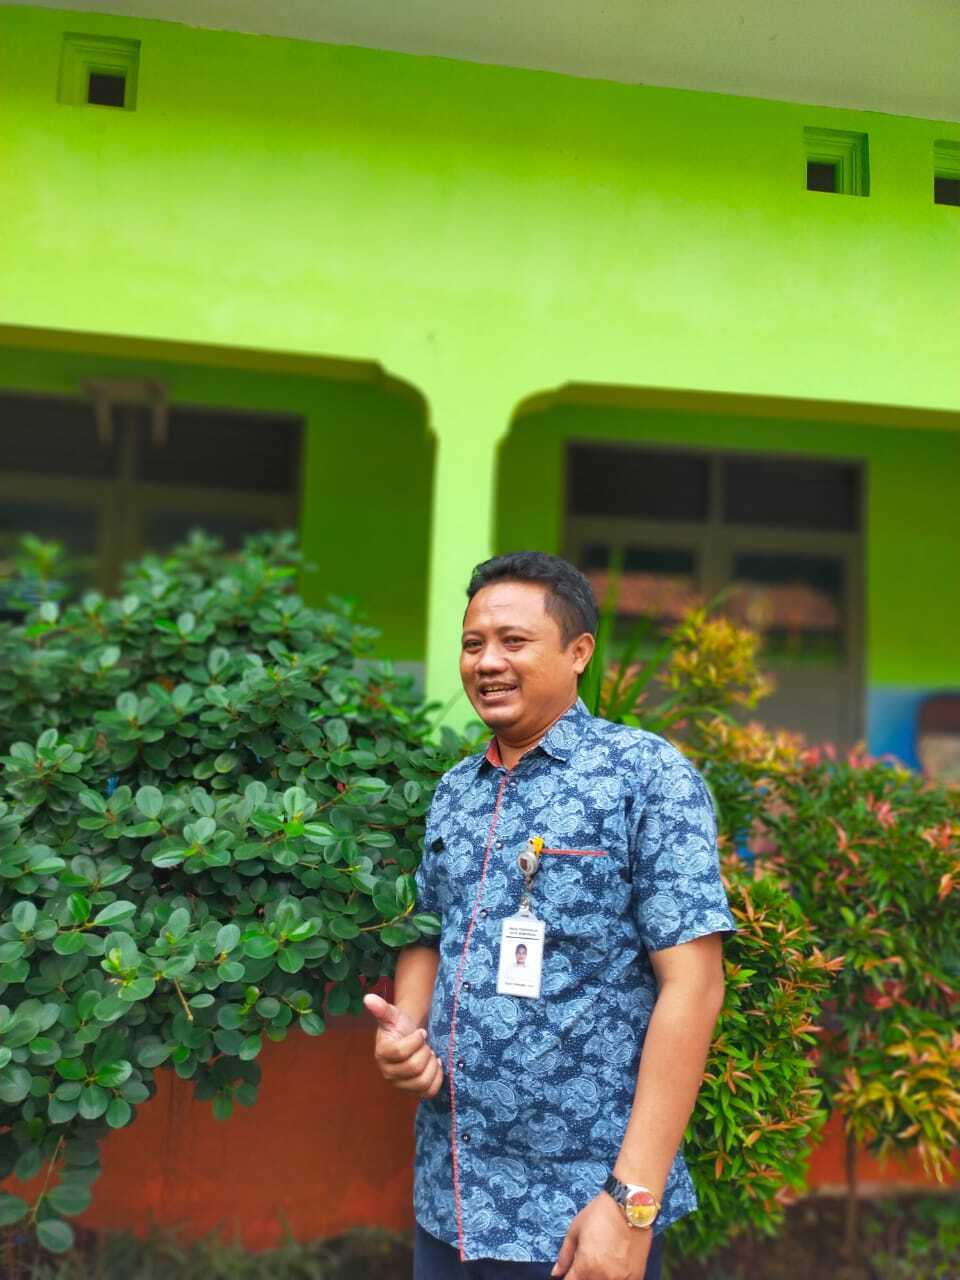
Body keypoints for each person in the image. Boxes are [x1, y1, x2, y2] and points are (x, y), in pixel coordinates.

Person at [365, 552, 736, 1280]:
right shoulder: (455, 791)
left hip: (579, 1214)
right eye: (473, 644)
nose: (487, 662)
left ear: (578, 652)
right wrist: (407, 1032)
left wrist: (630, 1204)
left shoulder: (645, 776)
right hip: (450, 1196)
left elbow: (694, 986)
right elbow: (429, 930)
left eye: (514, 641)